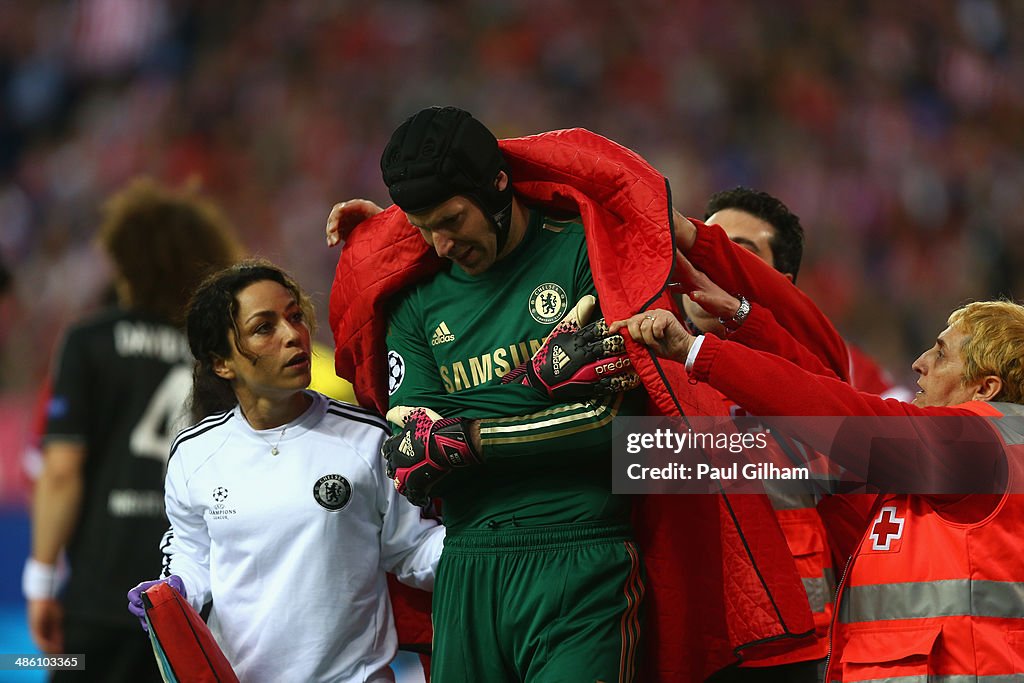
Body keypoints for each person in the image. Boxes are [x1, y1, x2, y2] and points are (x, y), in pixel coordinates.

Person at [327, 106, 817, 682]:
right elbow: (413, 450)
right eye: (421, 225)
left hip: (583, 560)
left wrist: (464, 435)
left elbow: (605, 427)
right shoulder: (414, 297)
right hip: (465, 565)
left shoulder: (584, 251)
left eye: (453, 219)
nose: (440, 244)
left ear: (497, 187)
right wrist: (537, 385)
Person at [613, 272, 1024, 680]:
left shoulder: (984, 449)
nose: (919, 363)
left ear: (986, 388)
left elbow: (836, 413)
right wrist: (746, 318)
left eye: (941, 353)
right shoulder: (951, 461)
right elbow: (825, 392)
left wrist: (697, 353)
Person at [126, 259, 444, 683]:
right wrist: (174, 589)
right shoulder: (194, 452)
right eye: (264, 328)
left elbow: (410, 549)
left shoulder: (368, 438)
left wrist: (488, 545)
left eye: (295, 317)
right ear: (222, 363)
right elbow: (192, 553)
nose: (293, 335)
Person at [24, 177, 244, 681]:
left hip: (98, 598)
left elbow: (60, 472)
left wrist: (40, 579)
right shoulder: (217, 352)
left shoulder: (88, 340)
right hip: (191, 598)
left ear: (126, 261)